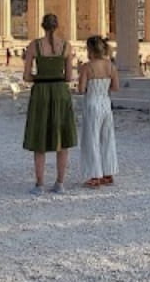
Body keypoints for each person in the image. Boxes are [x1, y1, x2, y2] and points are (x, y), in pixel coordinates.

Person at [23, 13, 76, 194]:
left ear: (42, 26)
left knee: (40, 137)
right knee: (62, 136)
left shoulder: (34, 46)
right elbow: (69, 77)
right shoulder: (67, 46)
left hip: (41, 92)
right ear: (57, 26)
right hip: (60, 91)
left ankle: (39, 184)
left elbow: (26, 76)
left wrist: (41, 77)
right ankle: (60, 183)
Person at [77, 36, 119, 188]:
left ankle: (95, 175)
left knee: (92, 139)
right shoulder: (111, 66)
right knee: (107, 138)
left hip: (92, 103)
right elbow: (115, 88)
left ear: (91, 50)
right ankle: (108, 173)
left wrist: (88, 86)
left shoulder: (87, 67)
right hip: (106, 103)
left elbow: (81, 89)